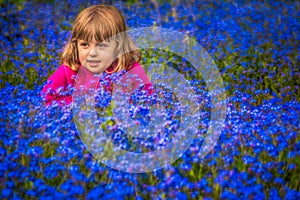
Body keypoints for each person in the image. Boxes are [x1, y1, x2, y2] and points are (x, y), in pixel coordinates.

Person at [41, 5, 152, 107]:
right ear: (75, 45)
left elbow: (148, 100)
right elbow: (45, 100)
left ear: (117, 46)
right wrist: (79, 103)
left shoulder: (130, 70)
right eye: (85, 45)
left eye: (102, 46)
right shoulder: (68, 71)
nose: (92, 53)